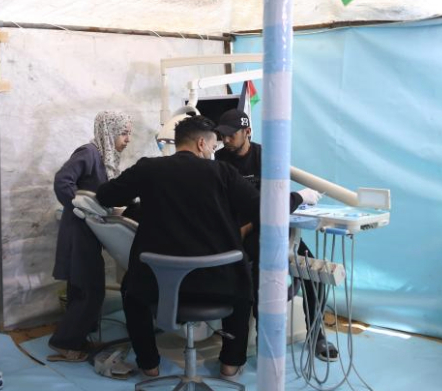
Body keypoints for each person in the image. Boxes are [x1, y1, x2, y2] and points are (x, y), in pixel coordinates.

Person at [96, 115, 258, 379]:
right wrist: (299, 197)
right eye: (214, 146)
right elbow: (262, 207)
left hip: (158, 286)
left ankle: (150, 366)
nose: (214, 151)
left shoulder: (148, 168)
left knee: (130, 290)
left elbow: (105, 195)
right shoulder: (224, 173)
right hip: (218, 285)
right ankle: (230, 364)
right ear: (203, 144)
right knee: (244, 289)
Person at [214, 108, 339, 361]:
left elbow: (278, 200)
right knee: (259, 279)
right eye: (222, 136)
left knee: (313, 275)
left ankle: (317, 334)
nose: (225, 141)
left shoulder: (267, 157)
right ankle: (265, 339)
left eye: (230, 135)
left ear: (247, 131)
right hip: (240, 235)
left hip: (272, 229)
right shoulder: (219, 161)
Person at [48, 110, 132, 362]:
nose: (128, 138)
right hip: (79, 230)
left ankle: (79, 336)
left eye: (129, 132)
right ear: (109, 130)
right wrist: (83, 209)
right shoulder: (88, 153)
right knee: (91, 290)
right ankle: (64, 342)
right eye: (124, 132)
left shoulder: (105, 157)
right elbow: (63, 181)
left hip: (89, 230)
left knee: (81, 289)